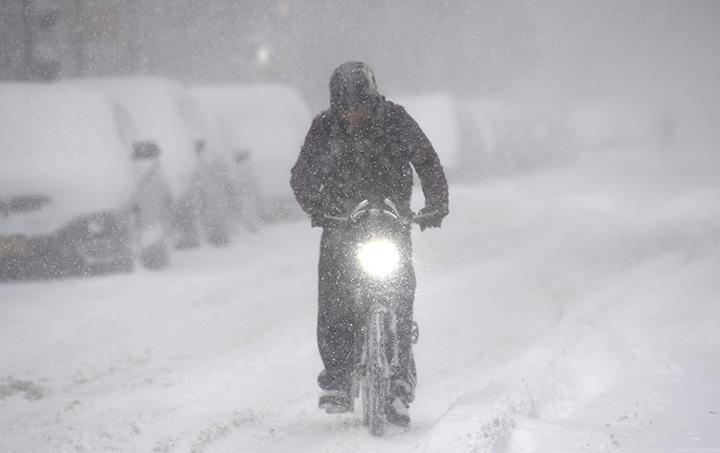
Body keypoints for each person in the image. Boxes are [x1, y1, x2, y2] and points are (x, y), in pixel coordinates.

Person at [290, 61, 449, 428]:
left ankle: (398, 383)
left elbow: (427, 161)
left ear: (372, 98)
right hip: (341, 227)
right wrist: (318, 208)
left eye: (359, 105)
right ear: (335, 105)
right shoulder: (323, 128)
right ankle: (337, 378)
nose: (352, 113)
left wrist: (436, 203)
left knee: (399, 293)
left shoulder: (396, 120)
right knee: (334, 298)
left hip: (390, 224)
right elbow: (302, 175)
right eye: (344, 107)